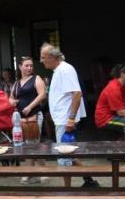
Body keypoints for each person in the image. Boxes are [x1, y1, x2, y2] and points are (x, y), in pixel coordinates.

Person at [40, 43, 99, 188]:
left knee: (64, 157)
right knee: (68, 155)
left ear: (53, 57)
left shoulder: (65, 70)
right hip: (62, 119)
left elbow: (77, 94)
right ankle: (89, 180)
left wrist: (71, 119)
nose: (41, 60)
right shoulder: (59, 70)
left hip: (65, 120)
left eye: (43, 57)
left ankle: (67, 190)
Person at [9, 56, 48, 184]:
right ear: (20, 67)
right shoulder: (16, 83)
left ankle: (33, 173)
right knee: (27, 145)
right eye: (26, 65)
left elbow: (42, 94)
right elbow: (11, 97)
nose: (29, 68)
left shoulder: (36, 78)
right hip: (20, 119)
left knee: (32, 144)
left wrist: (30, 106)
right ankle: (38, 172)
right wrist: (11, 101)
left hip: (34, 116)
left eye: (31, 65)